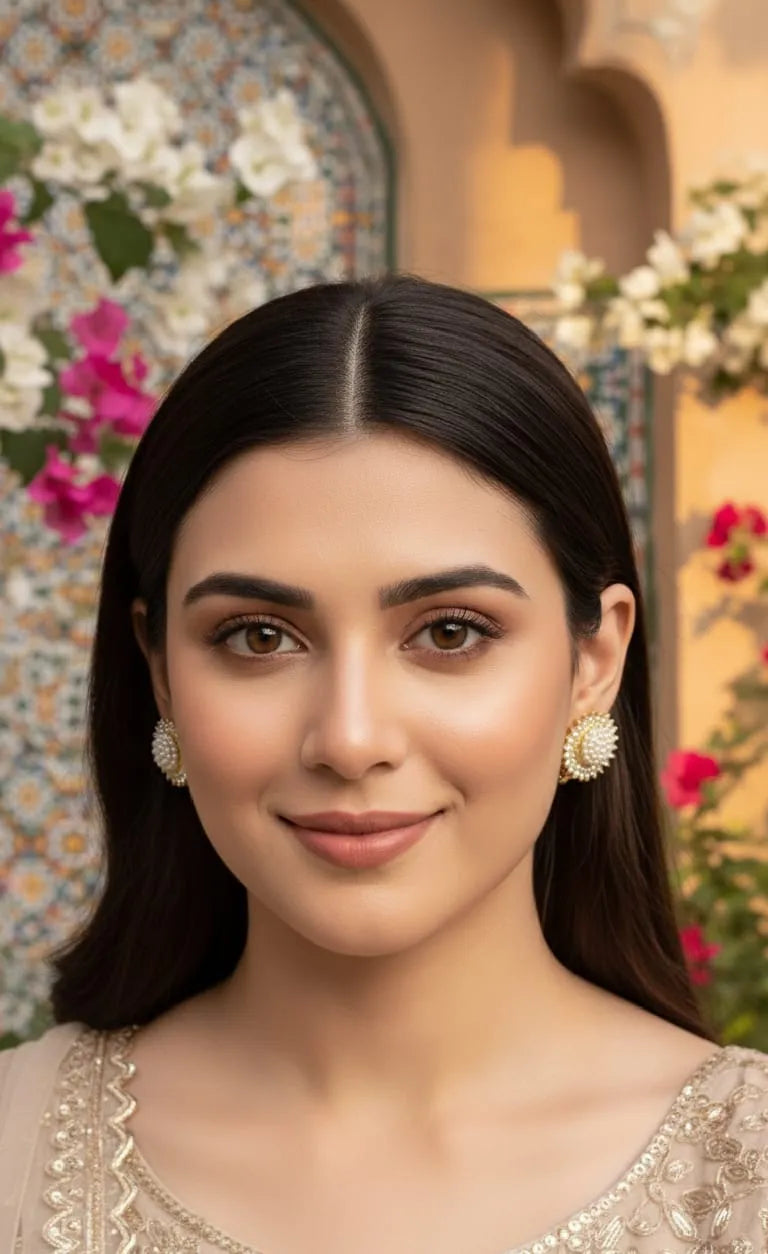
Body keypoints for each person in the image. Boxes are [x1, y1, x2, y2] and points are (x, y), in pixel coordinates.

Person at [1, 274, 767, 1254]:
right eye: (257, 637)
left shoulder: (746, 1180)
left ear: (594, 661)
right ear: (158, 670)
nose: (352, 739)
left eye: (450, 631)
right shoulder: (16, 1161)